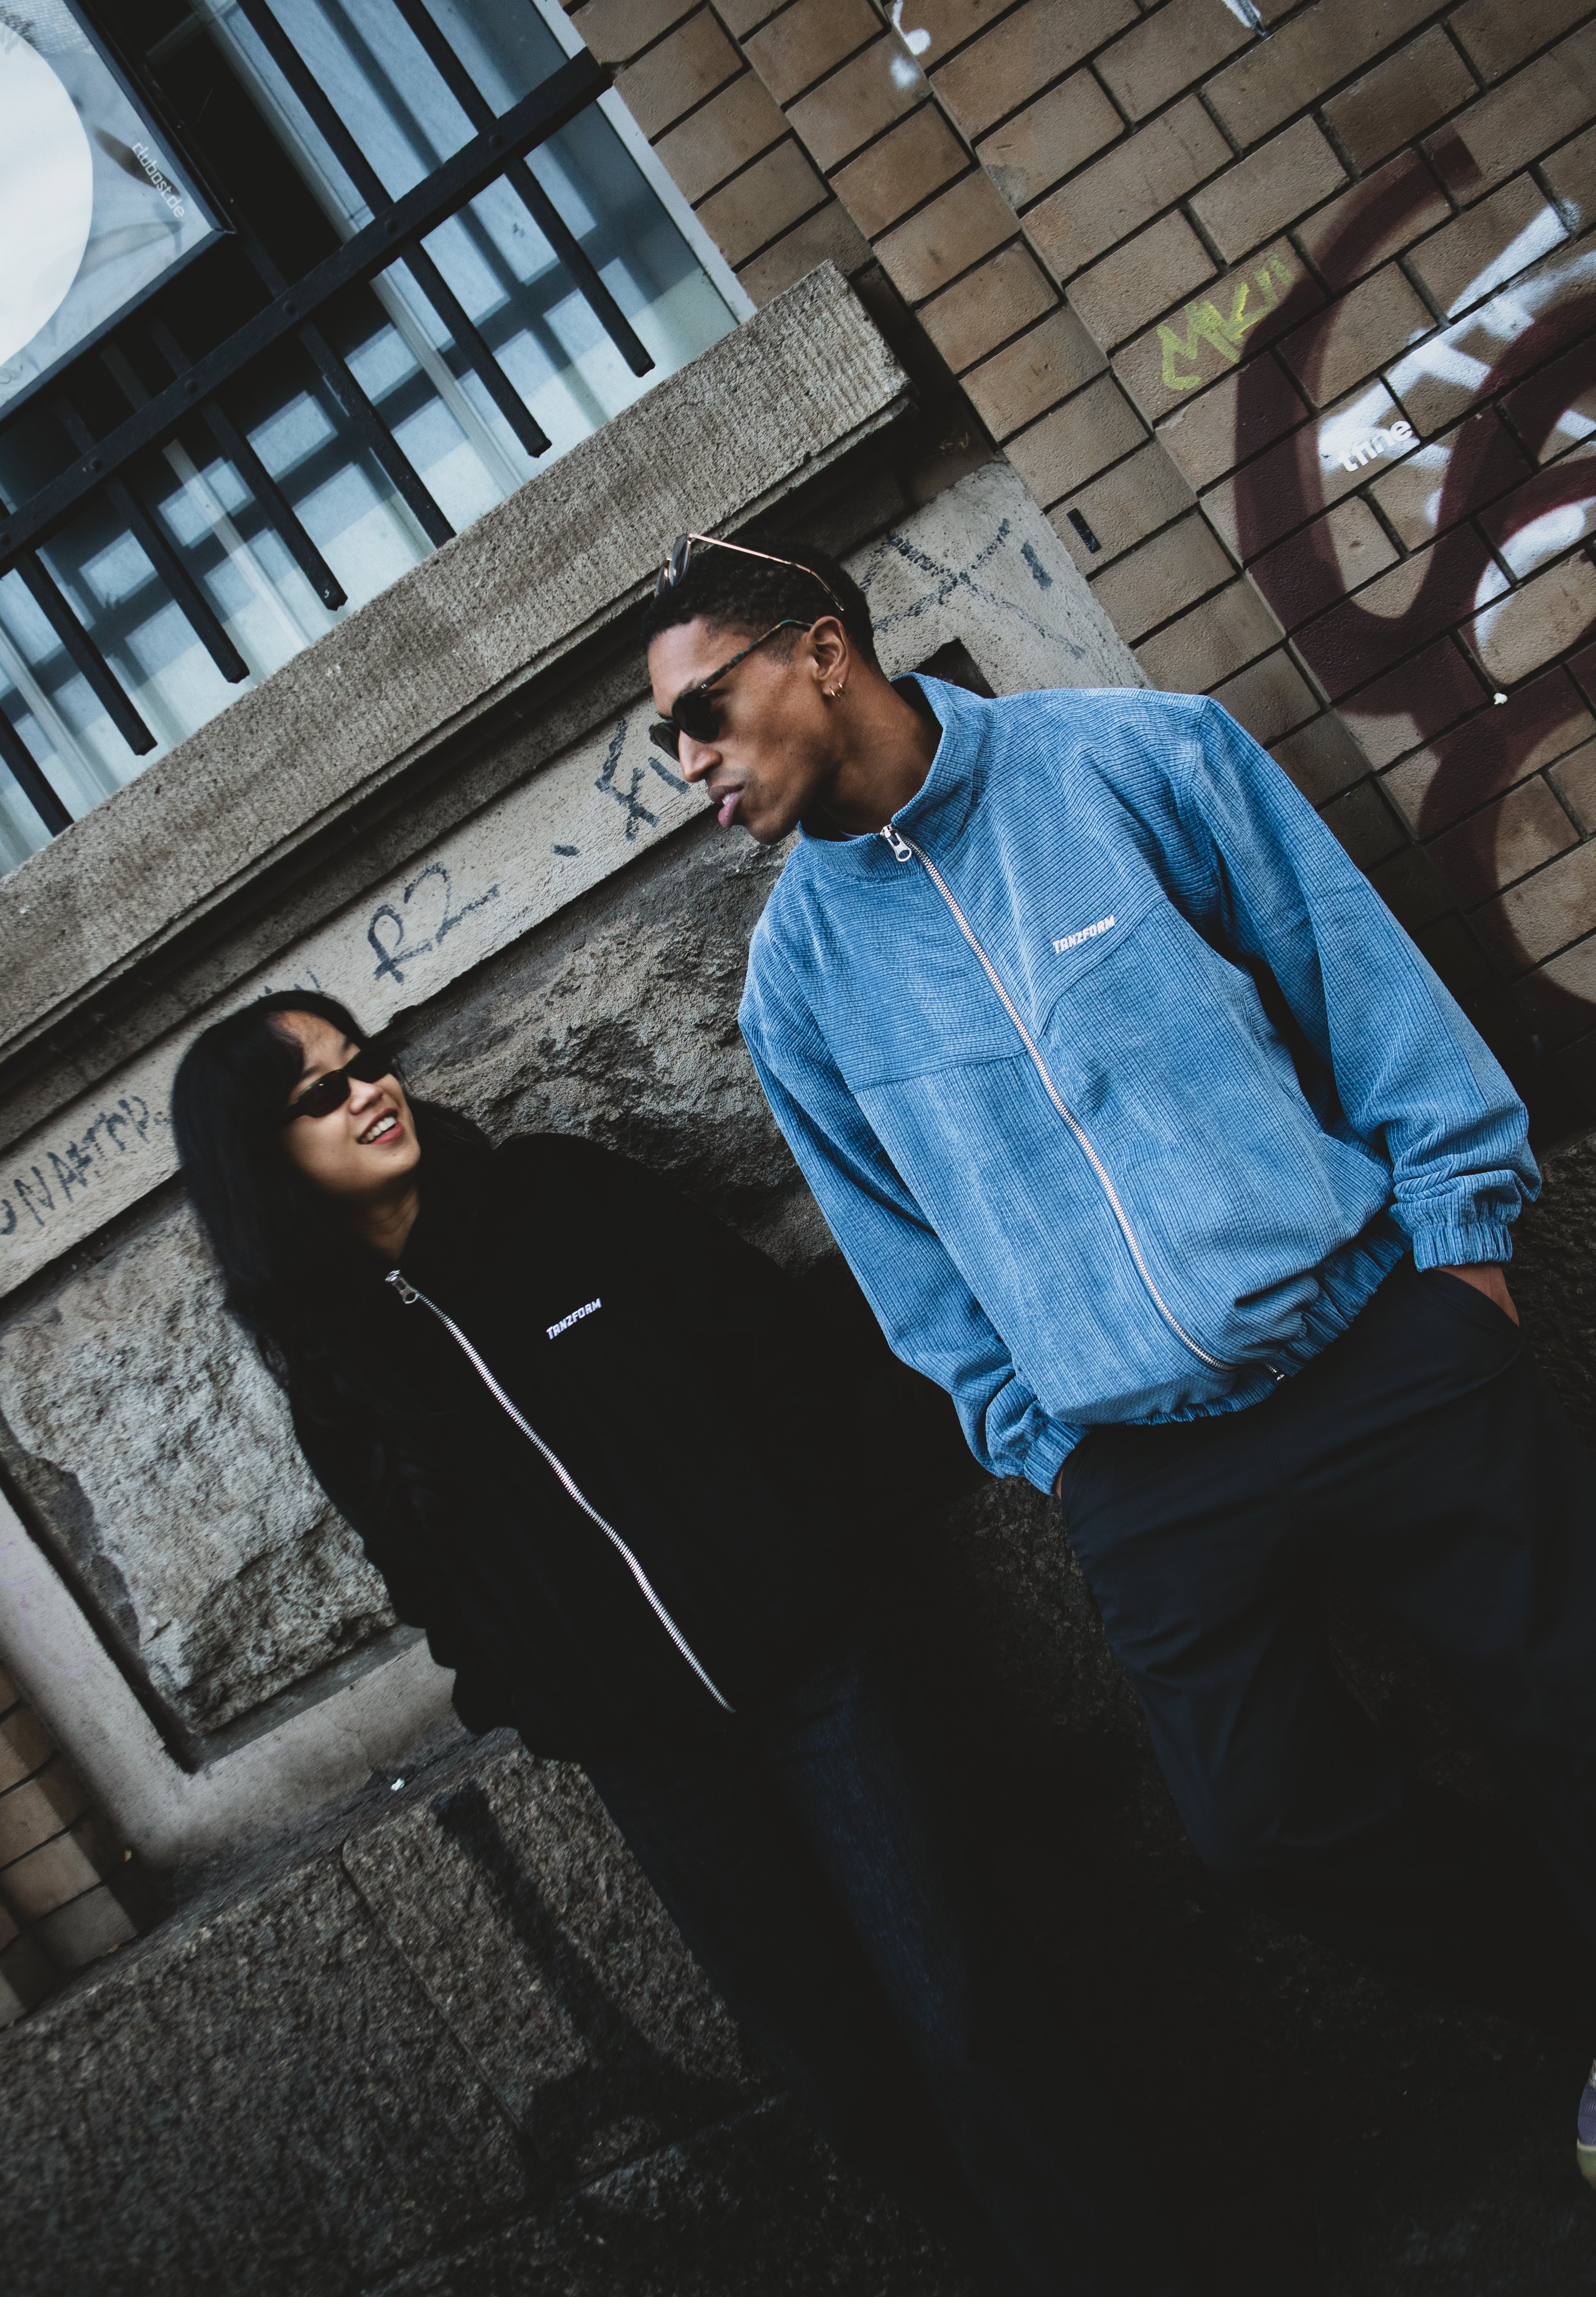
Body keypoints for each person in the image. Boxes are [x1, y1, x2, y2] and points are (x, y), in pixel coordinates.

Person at [643, 530, 1596, 2186]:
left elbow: (1358, 987)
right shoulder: (796, 991)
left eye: (703, 713)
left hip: (1385, 1345)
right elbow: (908, 1266)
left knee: (1575, 1707)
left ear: (819, 651)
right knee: (1266, 1827)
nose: (692, 768)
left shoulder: (1140, 757)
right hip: (1152, 1476)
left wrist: (1462, 1258)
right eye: (670, 745)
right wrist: (1049, 1447)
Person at [170, 989, 1191, 2297]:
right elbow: (431, 1584)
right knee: (838, 2070)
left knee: (964, 2011)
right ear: (263, 1157)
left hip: (816, 1680)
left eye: (367, 1063)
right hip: (656, 1760)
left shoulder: (555, 1201)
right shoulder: (342, 1376)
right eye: (322, 1093)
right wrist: (551, 1704)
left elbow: (779, 1356)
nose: (371, 1091)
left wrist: (805, 1562)